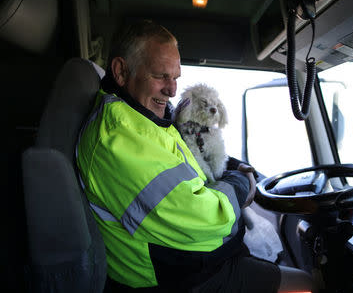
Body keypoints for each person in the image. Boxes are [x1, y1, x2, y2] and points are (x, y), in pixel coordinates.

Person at [76, 19, 314, 292]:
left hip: (193, 263)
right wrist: (238, 186)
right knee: (306, 285)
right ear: (120, 71)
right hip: (179, 279)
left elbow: (185, 166)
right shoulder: (118, 139)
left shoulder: (143, 120)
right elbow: (204, 220)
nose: (172, 90)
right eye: (160, 76)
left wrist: (230, 166)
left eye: (176, 77)